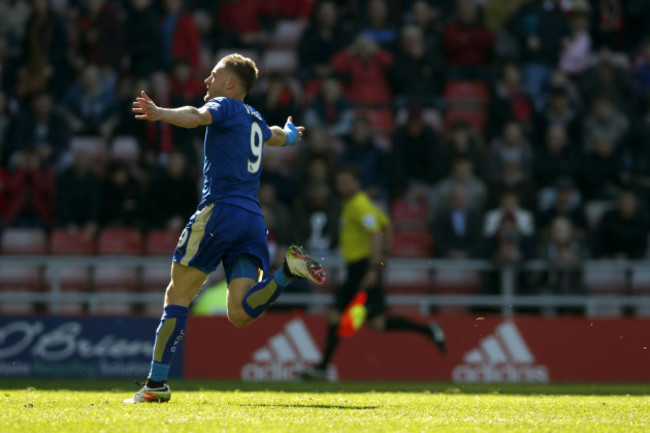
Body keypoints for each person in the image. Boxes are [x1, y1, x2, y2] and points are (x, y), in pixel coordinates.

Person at [125, 53, 326, 403]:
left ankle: (155, 386)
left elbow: (195, 116)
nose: (207, 81)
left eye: (214, 74)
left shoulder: (225, 106)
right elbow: (275, 136)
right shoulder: (255, 118)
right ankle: (287, 272)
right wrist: (293, 135)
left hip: (220, 212)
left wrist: (160, 114)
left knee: (178, 295)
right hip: (252, 220)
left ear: (231, 83)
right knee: (240, 313)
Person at [300, 166, 446, 381]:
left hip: (362, 269)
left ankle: (322, 367)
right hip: (360, 268)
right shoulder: (357, 204)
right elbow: (386, 224)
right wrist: (383, 257)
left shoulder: (359, 205)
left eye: (346, 181)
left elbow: (376, 232)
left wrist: (374, 267)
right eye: (339, 182)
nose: (342, 186)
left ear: (356, 184)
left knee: (335, 314)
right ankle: (428, 330)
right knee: (378, 323)